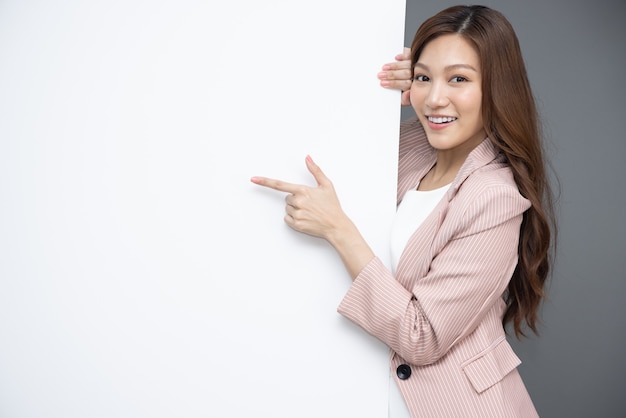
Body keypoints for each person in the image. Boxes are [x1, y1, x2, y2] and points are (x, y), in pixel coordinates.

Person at [251, 5, 555, 417]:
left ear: (497, 88)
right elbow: (337, 141)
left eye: (459, 78)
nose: (434, 98)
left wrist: (339, 231)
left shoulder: (495, 198)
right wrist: (381, 92)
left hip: (458, 406)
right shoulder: (416, 146)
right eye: (425, 77)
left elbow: (422, 336)